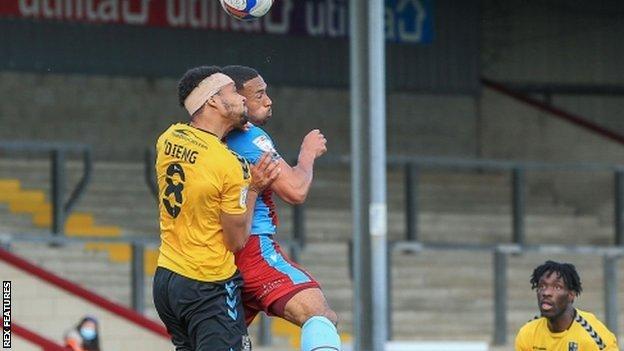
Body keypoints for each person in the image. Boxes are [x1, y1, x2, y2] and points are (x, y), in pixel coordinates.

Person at [152, 65, 279, 351]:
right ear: (212, 100)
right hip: (207, 283)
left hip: (167, 278)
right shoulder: (229, 165)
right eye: (233, 92)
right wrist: (255, 189)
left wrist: (233, 122)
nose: (243, 98)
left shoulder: (169, 139)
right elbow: (235, 241)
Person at [223, 65, 341, 351]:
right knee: (321, 316)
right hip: (251, 248)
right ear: (236, 100)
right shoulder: (251, 138)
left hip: (218, 250)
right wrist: (307, 154)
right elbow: (295, 190)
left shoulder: (205, 138)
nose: (268, 100)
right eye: (259, 95)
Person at [515, 260, 619, 351]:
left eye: (557, 287)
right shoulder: (528, 333)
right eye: (542, 286)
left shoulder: (594, 337)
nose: (546, 292)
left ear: (571, 295)